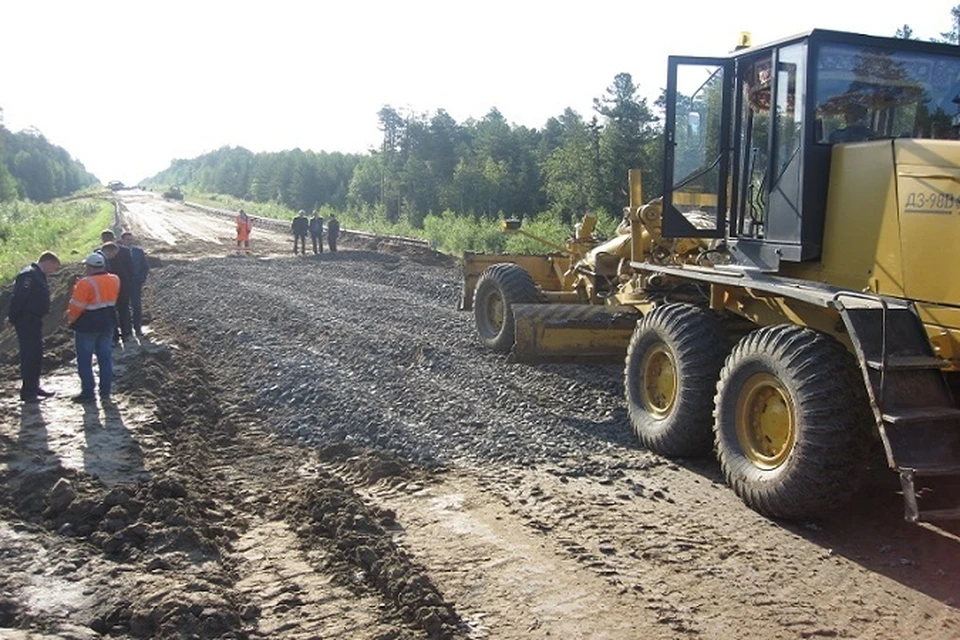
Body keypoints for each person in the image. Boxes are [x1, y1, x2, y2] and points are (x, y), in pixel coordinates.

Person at [66, 253, 120, 404]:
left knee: (85, 360)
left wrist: (70, 320)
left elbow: (76, 306)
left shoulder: (85, 283)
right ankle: (105, 392)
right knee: (105, 358)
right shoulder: (115, 279)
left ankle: (88, 392)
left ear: (89, 267)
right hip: (108, 323)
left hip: (88, 326)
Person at [7, 252, 60, 403]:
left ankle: (34, 386)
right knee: (30, 355)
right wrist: (11, 317)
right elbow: (19, 298)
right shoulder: (29, 275)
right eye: (53, 268)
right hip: (26, 320)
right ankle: (28, 392)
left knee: (36, 355)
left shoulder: (37, 274)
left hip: (34, 320)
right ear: (48, 262)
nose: (53, 272)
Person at [99, 241, 135, 345]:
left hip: (123, 287)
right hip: (109, 289)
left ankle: (126, 334)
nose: (114, 256)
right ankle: (115, 336)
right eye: (114, 254)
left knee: (123, 310)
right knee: (111, 312)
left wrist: (129, 285)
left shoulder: (125, 252)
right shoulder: (100, 258)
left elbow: (131, 269)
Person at [120, 231, 149, 337]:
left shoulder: (138, 252)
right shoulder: (118, 252)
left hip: (135, 284)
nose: (130, 241)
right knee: (124, 307)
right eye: (127, 239)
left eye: (131, 239)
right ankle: (126, 330)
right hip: (122, 285)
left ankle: (138, 328)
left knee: (136, 306)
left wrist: (141, 279)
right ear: (122, 240)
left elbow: (145, 267)